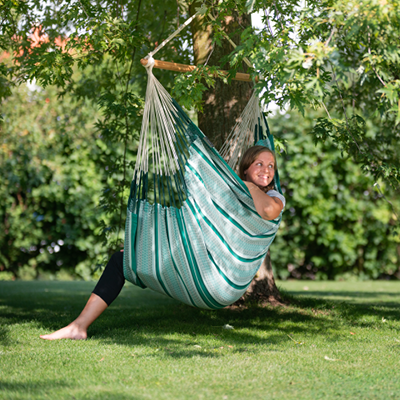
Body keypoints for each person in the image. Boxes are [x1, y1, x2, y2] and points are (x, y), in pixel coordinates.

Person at [40, 145, 285, 340]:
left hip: (223, 277)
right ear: (246, 168)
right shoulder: (234, 192)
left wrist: (248, 185)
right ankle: (78, 327)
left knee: (125, 259)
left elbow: (268, 211)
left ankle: (78, 327)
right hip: (201, 262)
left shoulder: (274, 195)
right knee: (121, 261)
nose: (266, 169)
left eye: (271, 165)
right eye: (259, 164)